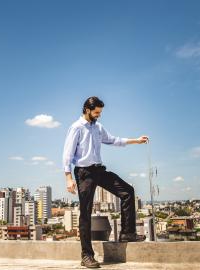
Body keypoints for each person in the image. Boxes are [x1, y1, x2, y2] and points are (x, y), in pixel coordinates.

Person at [62, 96, 149, 268]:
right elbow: (67, 154)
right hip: (84, 173)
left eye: (100, 112)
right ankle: (87, 256)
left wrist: (136, 140)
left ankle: (127, 233)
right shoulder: (76, 127)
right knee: (85, 214)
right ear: (87, 109)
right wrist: (68, 178)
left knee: (127, 191)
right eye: (96, 112)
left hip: (98, 170)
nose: (99, 115)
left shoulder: (98, 127)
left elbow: (113, 140)